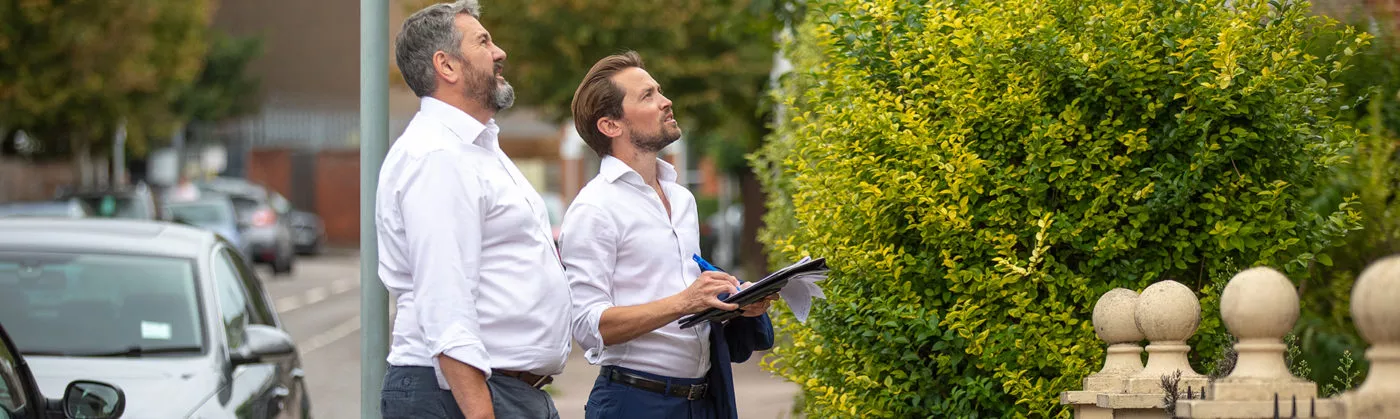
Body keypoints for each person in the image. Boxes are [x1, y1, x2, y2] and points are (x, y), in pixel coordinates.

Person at [375, 1, 570, 418]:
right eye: (483, 42)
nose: (500, 53)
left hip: (497, 391)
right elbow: (444, 298)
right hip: (462, 394)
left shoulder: (473, 147)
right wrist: (481, 412)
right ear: (447, 66)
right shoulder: (438, 155)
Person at [560, 51, 777, 419]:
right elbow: (587, 325)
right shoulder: (593, 208)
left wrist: (734, 303)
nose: (666, 101)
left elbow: (684, 301)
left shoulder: (682, 198)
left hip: (704, 399)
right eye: (647, 96)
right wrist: (685, 301)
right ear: (611, 125)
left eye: (658, 90)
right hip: (634, 402)